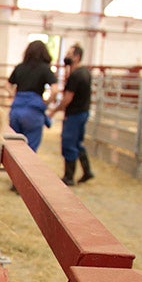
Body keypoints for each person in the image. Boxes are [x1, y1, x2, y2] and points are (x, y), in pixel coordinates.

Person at [47, 43, 93, 185]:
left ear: (77, 57)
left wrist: (54, 111)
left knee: (69, 143)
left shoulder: (76, 75)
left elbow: (68, 98)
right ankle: (87, 171)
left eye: (70, 54)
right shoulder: (86, 72)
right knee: (78, 143)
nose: (66, 56)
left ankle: (69, 177)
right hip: (83, 113)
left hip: (74, 115)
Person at [7, 40, 58, 152]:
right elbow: (55, 90)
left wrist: (15, 95)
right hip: (33, 112)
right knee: (30, 151)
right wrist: (45, 103)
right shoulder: (45, 68)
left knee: (14, 147)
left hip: (16, 109)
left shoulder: (20, 67)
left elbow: (7, 84)